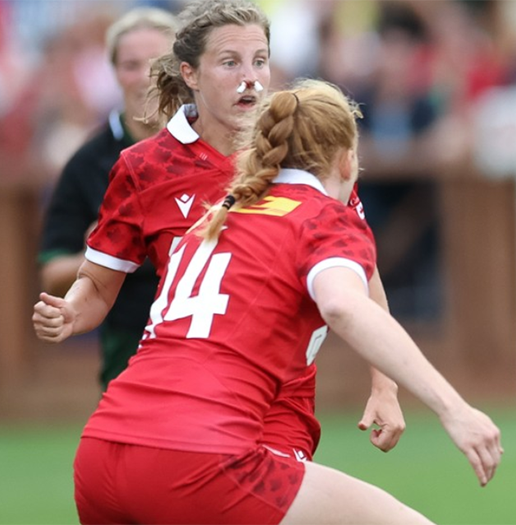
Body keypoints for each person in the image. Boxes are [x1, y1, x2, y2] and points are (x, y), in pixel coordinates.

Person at [46, 80, 502, 524]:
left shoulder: (215, 217)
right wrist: (454, 410)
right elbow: (344, 305)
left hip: (101, 453)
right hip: (198, 460)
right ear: (346, 161)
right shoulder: (323, 216)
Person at [31, 0, 404, 465]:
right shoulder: (144, 166)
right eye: (230, 63)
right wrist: (71, 312)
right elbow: (99, 286)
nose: (250, 78)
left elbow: (360, 278)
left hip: (280, 400)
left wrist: (384, 385)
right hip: (177, 388)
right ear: (189, 73)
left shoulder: (303, 151)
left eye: (260, 61)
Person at [37, 7, 178, 390]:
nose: (147, 76)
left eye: (158, 63)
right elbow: (52, 269)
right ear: (114, 71)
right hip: (130, 336)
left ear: (184, 68)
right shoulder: (87, 162)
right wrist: (102, 249)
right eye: (132, 64)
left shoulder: (213, 145)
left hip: (216, 327)